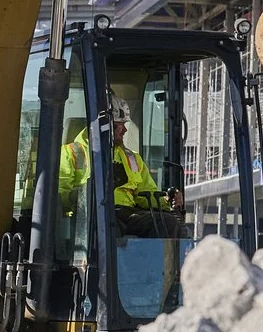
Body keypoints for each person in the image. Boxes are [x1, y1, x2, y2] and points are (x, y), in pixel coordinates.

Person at [59, 95, 179, 235]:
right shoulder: (71, 153)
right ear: (103, 125)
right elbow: (60, 195)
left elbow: (146, 194)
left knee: (168, 223)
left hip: (128, 213)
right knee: (109, 229)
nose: (125, 130)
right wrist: (87, 192)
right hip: (91, 215)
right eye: (119, 125)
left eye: (124, 124)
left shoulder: (132, 158)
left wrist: (166, 199)